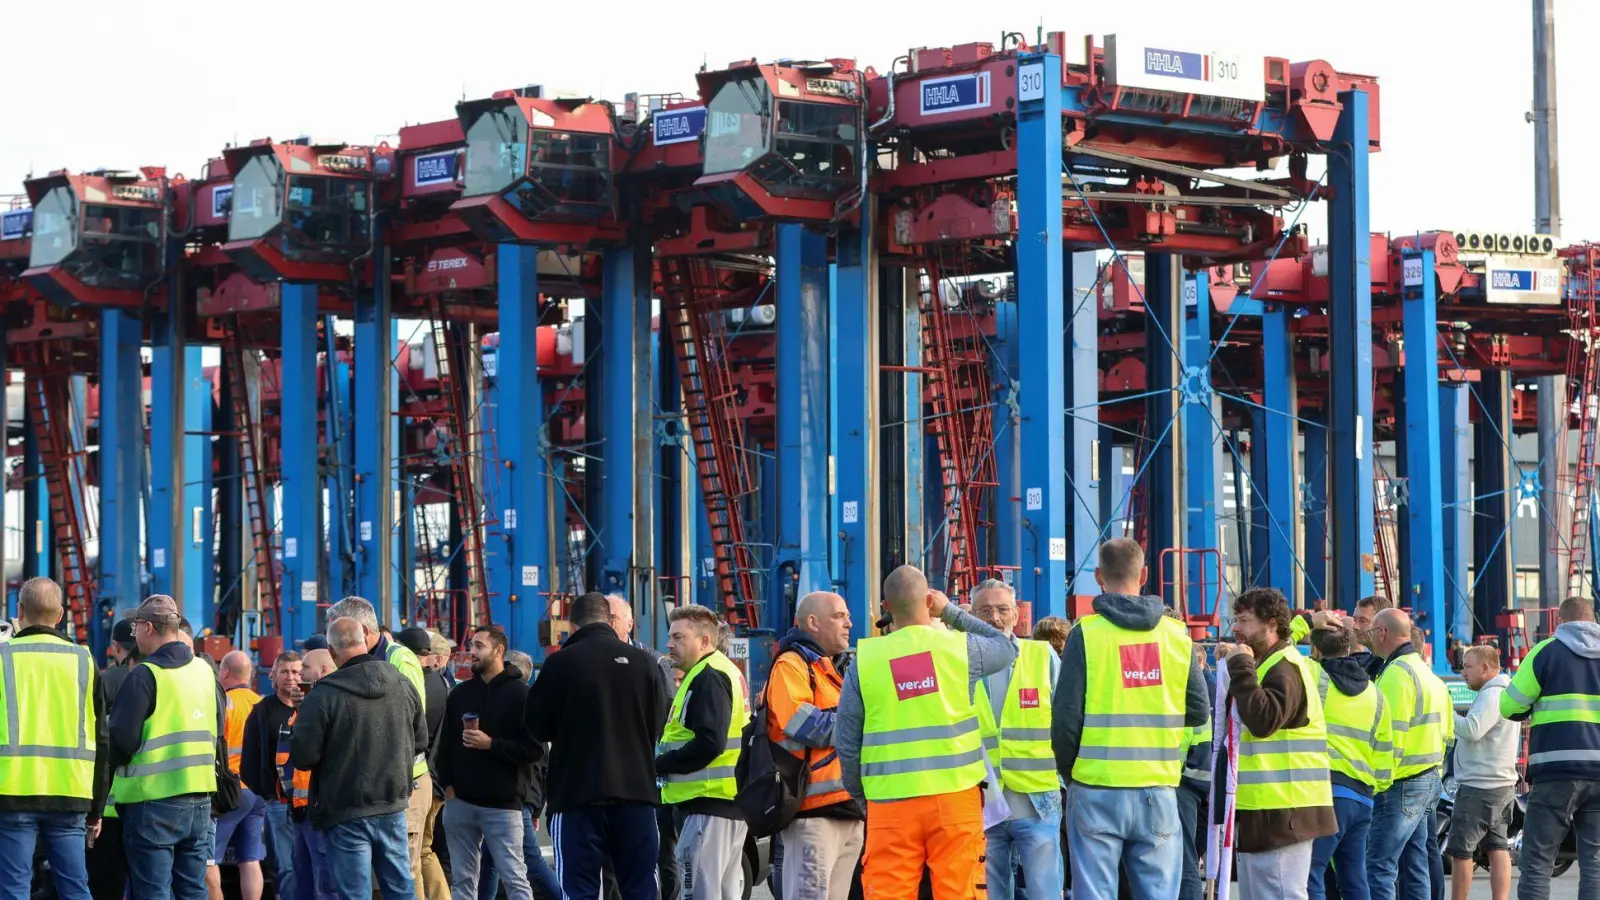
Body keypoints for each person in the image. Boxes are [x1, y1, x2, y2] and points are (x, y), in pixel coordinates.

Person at [837, 564, 1017, 900]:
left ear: (885, 608)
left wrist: (864, 798)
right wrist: (950, 610)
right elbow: (1006, 647)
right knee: (960, 891)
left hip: (889, 801)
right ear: (928, 600)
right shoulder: (959, 648)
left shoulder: (865, 660)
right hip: (955, 798)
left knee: (888, 892)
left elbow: (846, 742)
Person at [1052, 540, 1209, 900]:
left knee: (1095, 892)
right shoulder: (1176, 636)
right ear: (1145, 575)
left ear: (1098, 577)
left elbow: (1065, 720)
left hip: (1095, 787)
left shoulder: (1086, 635)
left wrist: (1070, 774)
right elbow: (1199, 711)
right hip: (1157, 787)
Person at [524, 592, 671, 900]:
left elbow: (536, 727)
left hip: (578, 798)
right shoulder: (645, 663)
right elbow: (658, 725)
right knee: (641, 889)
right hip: (637, 796)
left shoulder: (560, 664)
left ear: (572, 625)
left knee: (579, 891)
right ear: (608, 619)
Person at [289, 618, 425, 900]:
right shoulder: (400, 682)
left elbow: (303, 757)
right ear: (364, 640)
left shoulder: (323, 695)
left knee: (354, 893)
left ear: (332, 650)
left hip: (344, 809)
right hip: (392, 805)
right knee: (401, 889)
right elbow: (420, 741)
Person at [1217, 587, 1337, 900]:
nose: (1236, 628)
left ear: (1271, 623)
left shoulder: (1285, 668)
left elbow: (1262, 720)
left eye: (1244, 620)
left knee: (1280, 894)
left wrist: (1241, 667)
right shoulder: (1270, 664)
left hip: (1284, 810)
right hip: (1269, 809)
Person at [108, 595, 226, 900]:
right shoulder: (204, 672)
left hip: (152, 802)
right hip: (200, 801)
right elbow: (218, 727)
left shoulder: (144, 677)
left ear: (148, 628)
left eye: (135, 629)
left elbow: (121, 741)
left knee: (154, 892)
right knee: (192, 889)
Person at [0, 577, 110, 900]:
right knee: (75, 888)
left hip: (13, 791)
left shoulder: (3, 658)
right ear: (60, 615)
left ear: (19, 611)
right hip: (70, 793)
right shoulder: (84, 661)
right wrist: (97, 807)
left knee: (13, 889)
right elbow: (102, 738)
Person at [324, 597, 430, 900]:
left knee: (404, 875)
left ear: (361, 631)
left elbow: (412, 722)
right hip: (380, 784)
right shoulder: (372, 662)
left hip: (402, 781)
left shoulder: (400, 660)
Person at [763, 591, 864, 900]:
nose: (849, 623)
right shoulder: (791, 665)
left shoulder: (835, 668)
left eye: (847, 615)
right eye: (839, 616)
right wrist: (863, 723)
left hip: (848, 810)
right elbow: (803, 726)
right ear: (812, 622)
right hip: (813, 813)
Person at [1500, 596, 1600, 900]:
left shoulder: (1545, 652)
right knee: (1593, 862)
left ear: (1559, 621)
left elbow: (1509, 706)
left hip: (1556, 771)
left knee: (1537, 860)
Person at [969, 580, 1062, 900]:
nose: (994, 617)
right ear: (971, 614)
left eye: (1002, 609)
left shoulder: (1041, 655)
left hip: (1036, 801)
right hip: (981, 800)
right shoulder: (957, 661)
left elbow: (1067, 717)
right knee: (990, 893)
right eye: (985, 610)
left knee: (1044, 891)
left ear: (1015, 615)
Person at [437, 627, 542, 900]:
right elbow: (445, 744)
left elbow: (533, 750)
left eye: (479, 646)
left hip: (503, 806)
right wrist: (449, 788)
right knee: (462, 882)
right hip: (461, 803)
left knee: (515, 878)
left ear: (498, 651)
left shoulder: (522, 695)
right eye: (471, 645)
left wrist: (491, 744)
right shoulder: (460, 694)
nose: (471, 651)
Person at [655, 605, 749, 900]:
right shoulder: (720, 670)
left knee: (698, 893)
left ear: (704, 641)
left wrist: (661, 764)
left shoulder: (708, 676)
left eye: (678, 637)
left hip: (707, 805)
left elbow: (710, 742)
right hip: (723, 803)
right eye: (670, 636)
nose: (669, 644)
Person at [1366, 607, 1454, 900]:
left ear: (1382, 633)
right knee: (1415, 864)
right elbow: (1448, 732)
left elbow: (1389, 739)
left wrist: (1377, 783)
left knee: (1379, 864)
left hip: (1400, 783)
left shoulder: (1395, 675)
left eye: (1370, 632)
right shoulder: (1428, 675)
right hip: (1429, 779)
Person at [1305, 615, 1393, 900]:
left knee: (1310, 872)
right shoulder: (1376, 694)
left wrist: (1306, 623)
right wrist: (1370, 788)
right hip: (1363, 798)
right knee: (1354, 879)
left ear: (1315, 651)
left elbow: (1279, 651)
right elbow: (1384, 755)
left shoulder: (1312, 675)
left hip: (1327, 791)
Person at [606, 593, 681, 900]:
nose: (608, 625)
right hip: (607, 776)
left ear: (630, 623)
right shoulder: (591, 660)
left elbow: (665, 717)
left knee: (659, 853)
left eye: (614, 619)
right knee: (608, 860)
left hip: (647, 776)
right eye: (604, 618)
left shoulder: (654, 662)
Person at [1447, 644, 1518, 900]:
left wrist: (1447, 714)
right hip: (1502, 785)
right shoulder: (1506, 692)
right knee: (1497, 847)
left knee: (1460, 851)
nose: (1462, 672)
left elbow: (1472, 729)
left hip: (1480, 786)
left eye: (1467, 666)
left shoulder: (1491, 695)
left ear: (1486, 668)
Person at [395, 627, 451, 900]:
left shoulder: (415, 685)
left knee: (413, 858)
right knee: (425, 850)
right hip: (434, 779)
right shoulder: (441, 683)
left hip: (418, 778)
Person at [242, 652, 303, 900]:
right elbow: (248, 762)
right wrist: (268, 792)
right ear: (274, 676)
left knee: (314, 866)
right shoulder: (261, 712)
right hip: (278, 804)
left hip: (312, 803)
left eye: (297, 672)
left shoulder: (313, 708)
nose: (291, 677)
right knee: (287, 868)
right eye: (285, 672)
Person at [90, 618, 141, 900]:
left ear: (114, 647)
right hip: (150, 799)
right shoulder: (155, 677)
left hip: (108, 803)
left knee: (105, 881)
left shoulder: (105, 680)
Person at [281, 650, 337, 900]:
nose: (299, 673)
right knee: (303, 880)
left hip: (318, 809)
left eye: (305, 667)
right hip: (300, 809)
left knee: (325, 882)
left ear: (324, 670)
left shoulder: (328, 704)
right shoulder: (305, 707)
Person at [211, 651, 267, 900]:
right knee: (250, 858)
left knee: (207, 859)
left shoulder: (225, 703)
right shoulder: (262, 702)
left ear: (224, 672)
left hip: (231, 790)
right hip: (258, 791)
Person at [1351, 596, 1393, 679]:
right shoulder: (1370, 665)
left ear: (1382, 625)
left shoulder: (1395, 667)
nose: (1355, 626)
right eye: (1355, 620)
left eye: (1363, 621)